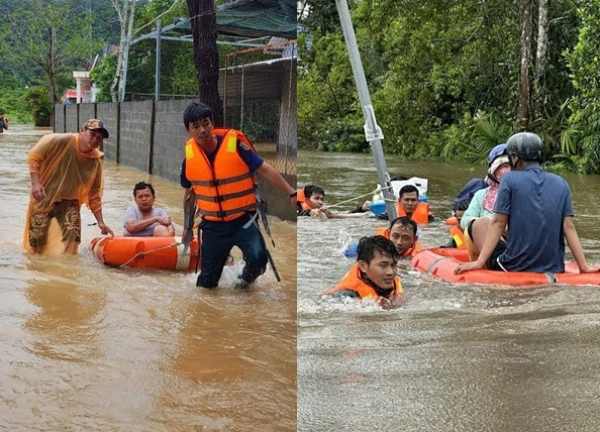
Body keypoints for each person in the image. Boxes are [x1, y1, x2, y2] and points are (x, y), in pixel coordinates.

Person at [181, 102, 296, 289]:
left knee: (258, 260)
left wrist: (292, 193)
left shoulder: (236, 145)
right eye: (196, 126)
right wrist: (187, 227)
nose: (202, 130)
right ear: (189, 131)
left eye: (206, 123)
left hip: (244, 220)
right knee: (206, 285)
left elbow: (265, 169)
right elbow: (189, 195)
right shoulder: (189, 160)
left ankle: (242, 284)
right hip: (212, 226)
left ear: (212, 123)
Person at [455, 132, 599, 275]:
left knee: (480, 224)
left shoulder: (510, 179)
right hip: (555, 267)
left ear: (516, 158)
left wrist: (479, 262)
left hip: (514, 267)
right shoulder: (561, 183)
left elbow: (498, 222)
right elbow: (568, 227)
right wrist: (584, 267)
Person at [23, 119, 114, 254]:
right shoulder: (61, 141)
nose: (95, 139)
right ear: (82, 131)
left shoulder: (95, 161)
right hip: (43, 198)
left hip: (69, 202)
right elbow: (34, 156)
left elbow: (94, 194)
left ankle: (67, 269)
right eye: (93, 134)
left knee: (72, 238)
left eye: (99, 138)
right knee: (36, 246)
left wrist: (100, 222)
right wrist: (36, 183)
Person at [460, 145, 510, 259]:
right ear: (494, 169)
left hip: (514, 241)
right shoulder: (481, 195)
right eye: (505, 166)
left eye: (512, 166)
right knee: (475, 226)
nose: (509, 170)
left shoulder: (523, 194)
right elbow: (464, 220)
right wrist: (491, 224)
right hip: (485, 241)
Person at [328, 235, 404, 308]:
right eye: (383, 265)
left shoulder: (387, 278)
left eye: (393, 265)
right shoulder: (347, 296)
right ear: (363, 266)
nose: (390, 272)